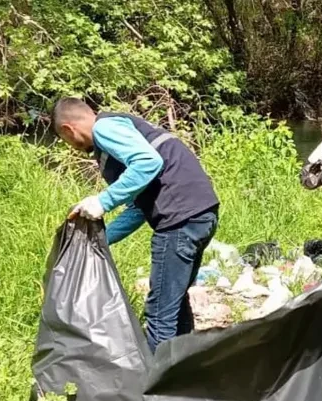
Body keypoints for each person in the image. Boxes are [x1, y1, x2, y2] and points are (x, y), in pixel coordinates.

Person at [52, 98, 220, 353]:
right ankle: (186, 366)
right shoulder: (122, 127)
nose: (73, 147)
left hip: (179, 220)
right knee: (174, 301)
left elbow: (148, 162)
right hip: (202, 215)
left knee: (160, 312)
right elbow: (138, 209)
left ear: (68, 129)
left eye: (67, 141)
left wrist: (103, 201)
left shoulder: (104, 128)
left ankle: (157, 376)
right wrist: (99, 239)